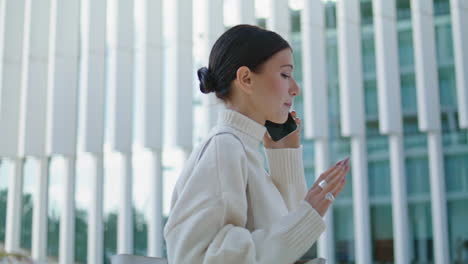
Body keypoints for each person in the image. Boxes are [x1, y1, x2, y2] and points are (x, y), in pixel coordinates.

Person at [163, 24, 350, 264]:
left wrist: (285, 156)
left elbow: (284, 246)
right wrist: (309, 213)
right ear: (246, 78)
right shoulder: (225, 147)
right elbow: (196, 256)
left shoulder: (244, 149)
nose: (295, 89)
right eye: (285, 75)